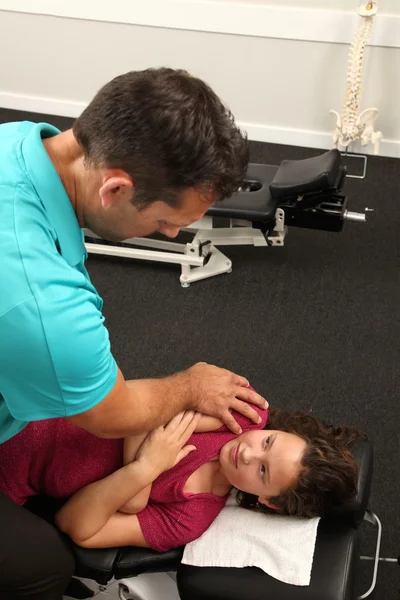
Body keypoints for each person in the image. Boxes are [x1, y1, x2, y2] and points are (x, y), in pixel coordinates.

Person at [0, 67, 268, 599]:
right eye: (168, 221)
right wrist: (188, 386)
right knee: (44, 569)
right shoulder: (45, 305)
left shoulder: (17, 140)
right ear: (116, 186)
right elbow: (112, 413)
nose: (172, 235)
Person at [0, 399, 365, 553]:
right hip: (31, 398)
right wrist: (133, 496)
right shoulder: (243, 413)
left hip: (9, 472)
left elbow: (75, 525)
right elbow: (138, 404)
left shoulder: (189, 518)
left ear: (268, 501)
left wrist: (145, 468)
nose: (248, 452)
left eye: (263, 471)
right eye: (268, 441)